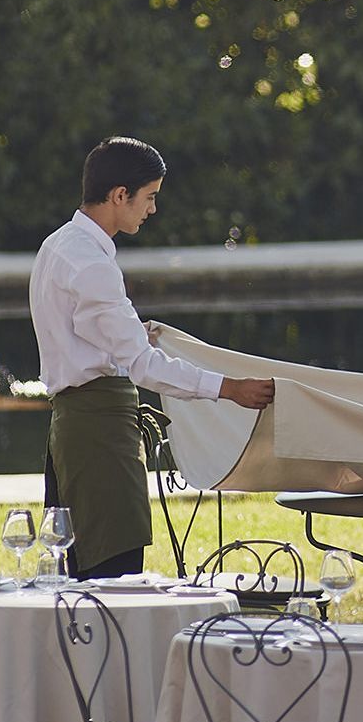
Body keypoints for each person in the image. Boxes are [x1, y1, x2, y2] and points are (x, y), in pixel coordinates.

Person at [30, 137, 275, 577]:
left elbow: (76, 334)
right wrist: (229, 388)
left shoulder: (57, 246)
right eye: (150, 197)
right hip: (98, 436)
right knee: (110, 577)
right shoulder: (92, 265)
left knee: (77, 574)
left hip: (72, 429)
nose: (153, 209)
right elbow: (144, 365)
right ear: (120, 195)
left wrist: (124, 340)